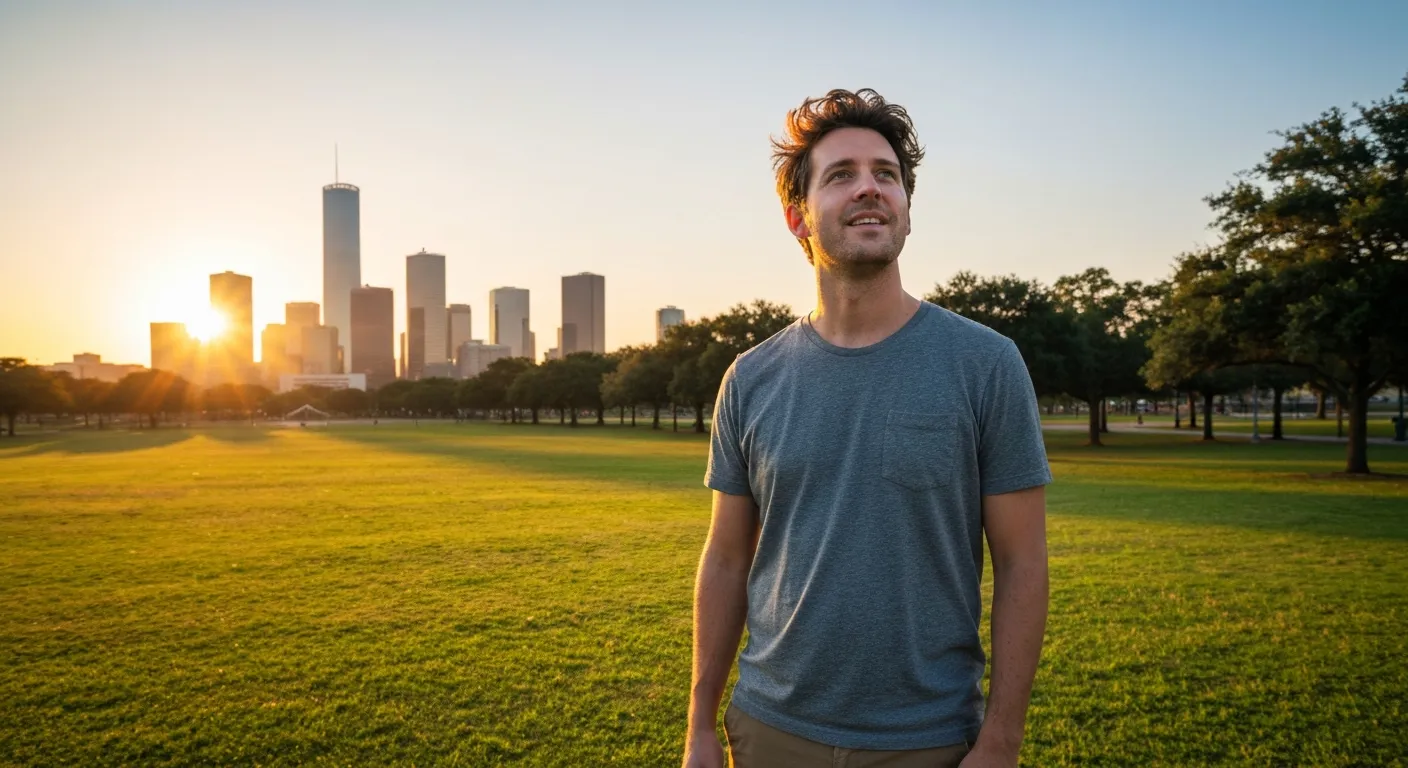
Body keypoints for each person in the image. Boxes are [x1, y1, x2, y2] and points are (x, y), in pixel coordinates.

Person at [683, 89, 1051, 768]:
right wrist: (700, 724)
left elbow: (1023, 564)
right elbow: (728, 558)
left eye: (887, 175)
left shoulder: (986, 364)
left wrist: (1001, 740)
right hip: (770, 730)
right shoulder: (750, 377)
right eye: (842, 174)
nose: (871, 189)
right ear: (797, 218)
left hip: (930, 740)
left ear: (907, 211)